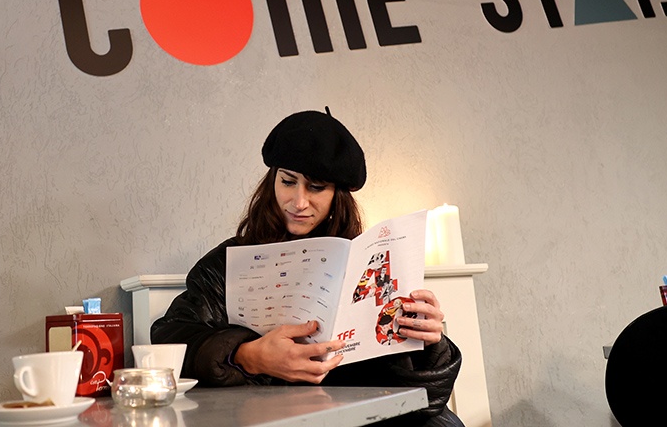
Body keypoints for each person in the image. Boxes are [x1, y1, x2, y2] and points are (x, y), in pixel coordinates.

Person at [151, 108, 464, 427]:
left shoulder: (364, 262)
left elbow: (425, 398)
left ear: (337, 195)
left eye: (316, 187)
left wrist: (429, 343)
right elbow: (169, 336)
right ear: (272, 181)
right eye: (288, 182)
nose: (299, 202)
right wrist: (248, 355)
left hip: (359, 414)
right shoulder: (226, 264)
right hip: (267, 414)